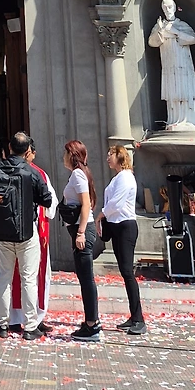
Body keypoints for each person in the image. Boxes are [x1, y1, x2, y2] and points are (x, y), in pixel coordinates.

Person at [0, 131, 55, 339]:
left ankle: (1, 325)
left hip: (2, 230)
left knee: (3, 278)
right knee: (28, 278)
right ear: (27, 151)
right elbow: (47, 199)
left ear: (10, 148)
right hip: (26, 231)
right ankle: (31, 326)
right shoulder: (31, 172)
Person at [9, 137, 56, 330]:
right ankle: (32, 321)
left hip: (8, 231)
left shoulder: (2, 169)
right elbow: (50, 205)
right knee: (31, 277)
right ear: (29, 152)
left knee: (8, 276)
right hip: (32, 232)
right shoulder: (38, 174)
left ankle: (11, 320)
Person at [98, 145, 145, 334]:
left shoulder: (126, 176)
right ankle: (134, 316)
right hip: (116, 226)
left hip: (126, 226)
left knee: (127, 272)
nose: (108, 157)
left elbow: (116, 203)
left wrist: (100, 215)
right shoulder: (117, 177)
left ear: (120, 156)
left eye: (111, 154)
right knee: (125, 273)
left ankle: (139, 318)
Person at [61, 140, 102, 340]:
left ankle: (92, 324)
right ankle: (91, 321)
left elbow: (86, 204)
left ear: (72, 155)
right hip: (79, 229)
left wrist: (81, 232)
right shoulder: (79, 174)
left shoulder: (78, 174)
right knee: (84, 277)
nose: (63, 157)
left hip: (82, 230)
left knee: (86, 278)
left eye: (65, 153)